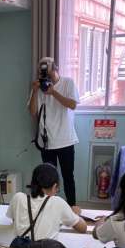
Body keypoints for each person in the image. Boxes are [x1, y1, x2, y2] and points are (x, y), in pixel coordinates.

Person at [29, 57, 80, 212]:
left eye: (48, 71)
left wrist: (53, 92)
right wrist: (35, 90)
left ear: (55, 68)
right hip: (47, 142)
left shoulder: (68, 82)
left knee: (68, 176)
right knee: (47, 179)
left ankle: (72, 208)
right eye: (43, 71)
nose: (46, 76)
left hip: (65, 140)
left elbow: (72, 104)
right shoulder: (39, 87)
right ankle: (49, 209)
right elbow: (33, 112)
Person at [7, 163, 87, 241]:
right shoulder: (58, 202)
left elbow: (16, 221)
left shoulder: (17, 197)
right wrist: (75, 214)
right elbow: (83, 228)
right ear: (54, 186)